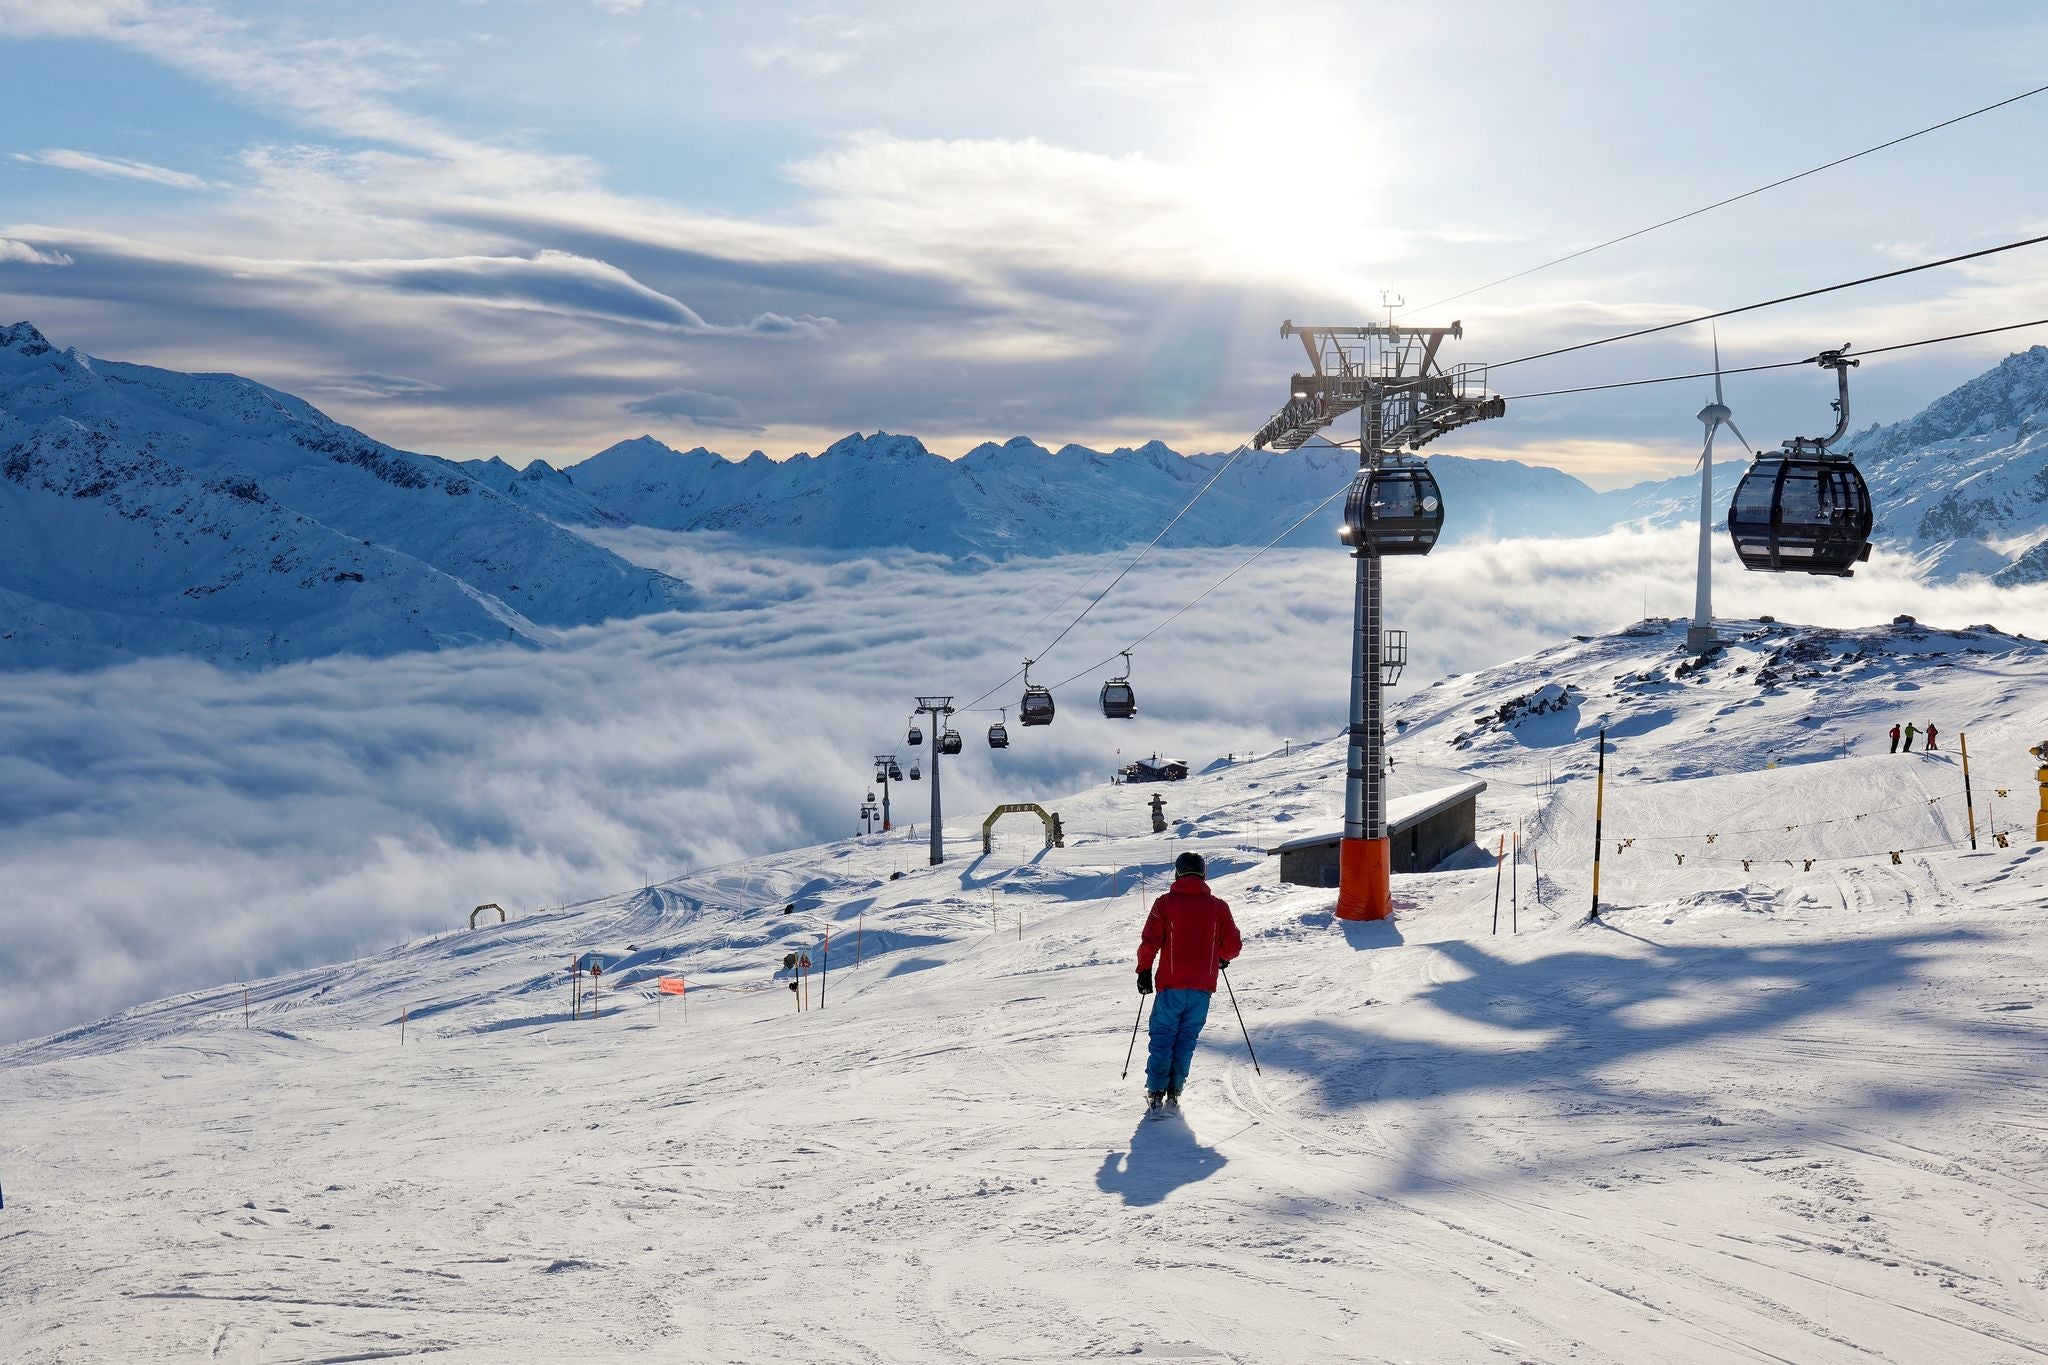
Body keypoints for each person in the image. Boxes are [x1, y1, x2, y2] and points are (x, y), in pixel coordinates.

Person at [1135, 850, 1242, 1114]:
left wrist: (1144, 971)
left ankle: (1156, 1089)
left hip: (1171, 985)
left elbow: (1150, 941)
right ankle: (1175, 1089)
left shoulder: (1165, 903)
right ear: (1203, 874)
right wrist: (1221, 958)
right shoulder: (1218, 907)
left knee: (1163, 1036)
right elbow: (1233, 945)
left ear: (1177, 873)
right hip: (1201, 988)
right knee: (1186, 1038)